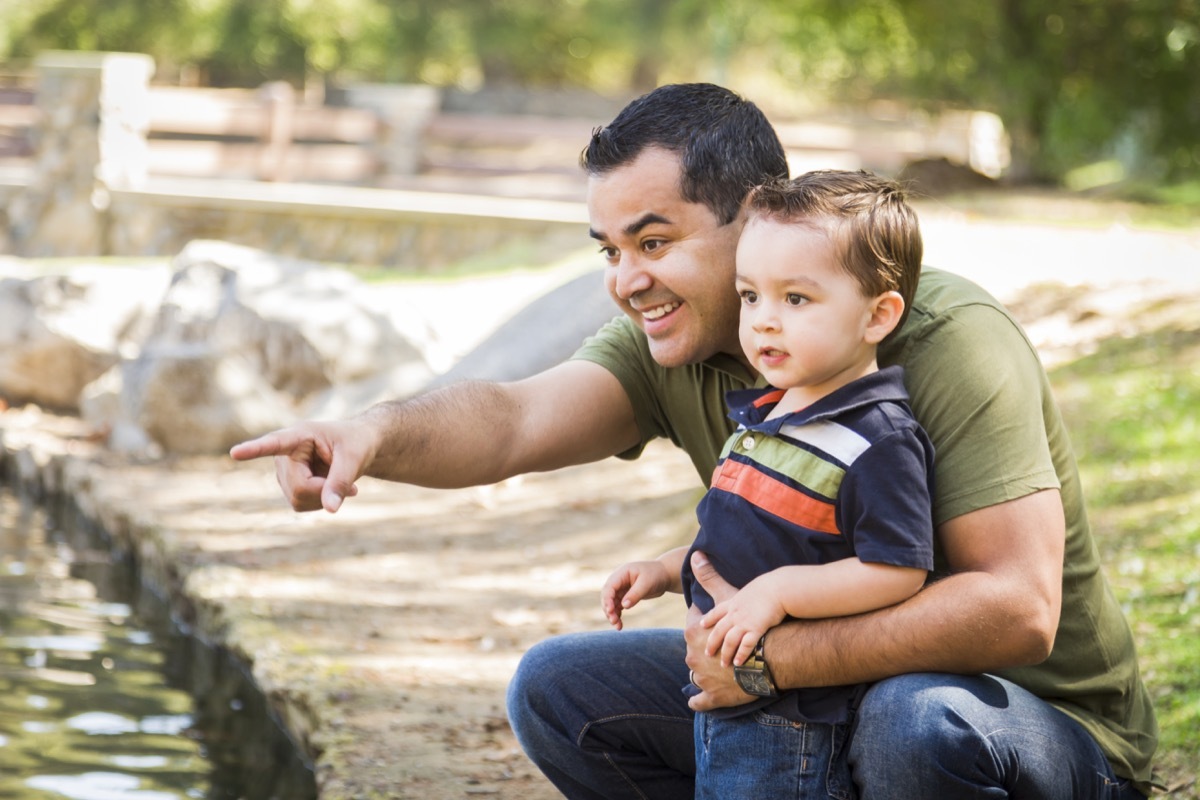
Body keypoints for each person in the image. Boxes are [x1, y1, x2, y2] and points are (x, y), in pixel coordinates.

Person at [230, 83, 1158, 799]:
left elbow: (1017, 609)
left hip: (1026, 727)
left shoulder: (941, 339)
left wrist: (767, 662)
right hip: (819, 711)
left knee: (909, 724)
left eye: (653, 241)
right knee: (559, 691)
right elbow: (512, 420)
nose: (626, 280)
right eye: (609, 250)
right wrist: (371, 434)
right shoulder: (672, 343)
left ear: (753, 216)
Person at [600, 170, 936, 798]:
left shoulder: (876, 439)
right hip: (725, 694)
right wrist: (669, 569)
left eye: (796, 299)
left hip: (790, 718)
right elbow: (752, 540)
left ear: (878, 316)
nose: (764, 322)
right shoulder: (768, 415)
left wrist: (778, 594)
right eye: (750, 296)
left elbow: (898, 569)